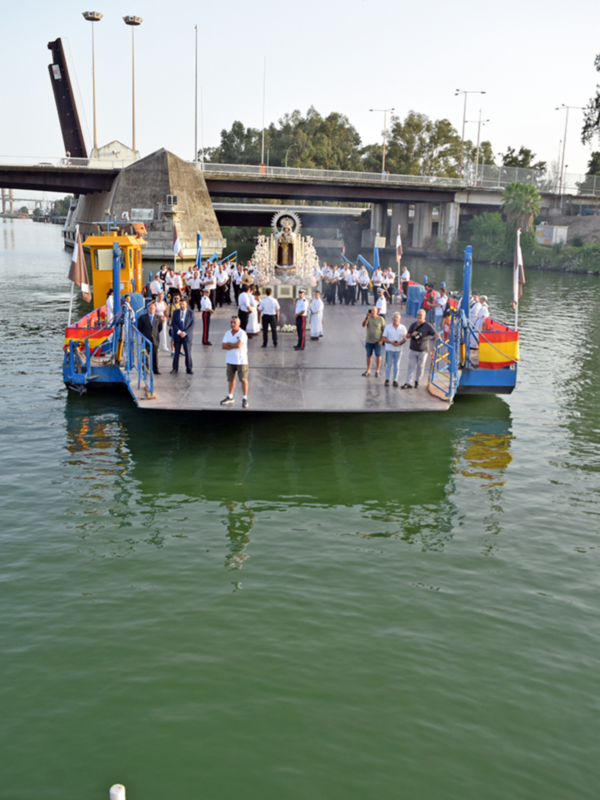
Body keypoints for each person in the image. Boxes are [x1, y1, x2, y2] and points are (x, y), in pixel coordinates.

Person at [402, 308, 438, 389]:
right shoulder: (413, 325)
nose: (419, 316)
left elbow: (434, 333)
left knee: (420, 367)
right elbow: (407, 336)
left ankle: (417, 381)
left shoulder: (428, 326)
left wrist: (438, 336)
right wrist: (412, 334)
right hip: (413, 349)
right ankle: (408, 382)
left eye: (421, 315)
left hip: (423, 350)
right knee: (411, 366)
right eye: (418, 315)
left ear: (424, 316)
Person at [220, 316, 249, 408]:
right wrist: (234, 345)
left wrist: (230, 344)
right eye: (231, 322)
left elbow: (239, 345)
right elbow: (223, 346)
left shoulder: (242, 333)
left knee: (243, 380)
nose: (232, 324)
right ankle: (230, 397)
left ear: (239, 324)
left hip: (241, 361)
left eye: (234, 323)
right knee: (231, 379)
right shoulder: (227, 333)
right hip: (230, 360)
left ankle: (244, 398)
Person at [137, 299, 163, 375]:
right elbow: (140, 328)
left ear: (155, 309)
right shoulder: (142, 317)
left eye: (153, 308)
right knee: (145, 355)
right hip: (146, 339)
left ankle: (155, 369)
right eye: (150, 308)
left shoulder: (158, 318)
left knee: (155, 355)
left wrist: (154, 334)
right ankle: (145, 369)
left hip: (155, 339)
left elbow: (159, 328)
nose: (151, 310)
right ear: (148, 309)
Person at [382, 312, 407, 387]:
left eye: (397, 317)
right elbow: (384, 338)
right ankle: (387, 379)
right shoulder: (388, 327)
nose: (395, 319)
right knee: (388, 364)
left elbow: (405, 338)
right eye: (394, 317)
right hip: (389, 348)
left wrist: (400, 343)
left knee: (396, 365)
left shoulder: (403, 328)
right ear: (392, 319)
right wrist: (390, 342)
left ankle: (395, 380)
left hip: (398, 349)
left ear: (400, 319)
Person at [170, 298, 195, 374]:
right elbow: (173, 323)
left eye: (183, 304)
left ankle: (189, 368)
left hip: (186, 336)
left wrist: (185, 333)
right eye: (180, 304)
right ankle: (175, 368)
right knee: (176, 353)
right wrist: (179, 332)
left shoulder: (191, 313)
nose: (181, 305)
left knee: (188, 352)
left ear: (186, 304)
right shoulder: (175, 312)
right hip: (177, 336)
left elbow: (192, 324)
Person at [361, 305, 386, 378]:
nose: (372, 312)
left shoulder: (381, 319)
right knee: (368, 355)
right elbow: (363, 325)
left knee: (378, 356)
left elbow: (384, 330)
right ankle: (368, 370)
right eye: (371, 311)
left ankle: (377, 370)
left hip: (377, 341)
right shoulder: (369, 318)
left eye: (374, 311)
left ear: (377, 311)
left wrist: (382, 340)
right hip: (369, 341)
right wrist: (367, 318)